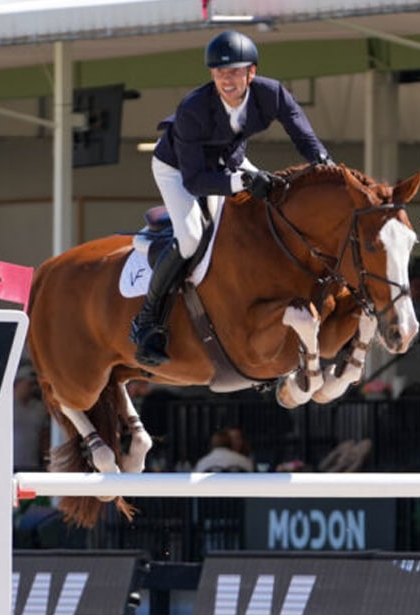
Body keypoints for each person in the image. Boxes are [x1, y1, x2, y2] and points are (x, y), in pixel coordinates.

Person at [130, 30, 334, 367]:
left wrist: (324, 165)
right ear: (212, 74)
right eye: (220, 73)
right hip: (179, 170)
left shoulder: (272, 94)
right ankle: (147, 321)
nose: (227, 79)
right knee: (192, 238)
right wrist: (242, 181)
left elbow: (302, 133)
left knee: (276, 200)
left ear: (251, 72)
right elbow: (196, 181)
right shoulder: (194, 108)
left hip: (229, 160)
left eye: (235, 72)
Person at [12, 366, 49, 471]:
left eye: (35, 384)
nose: (33, 388)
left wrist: (46, 460)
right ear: (18, 383)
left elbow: (45, 437)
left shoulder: (40, 409)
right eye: (29, 384)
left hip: (32, 465)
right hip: (9, 464)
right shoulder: (6, 407)